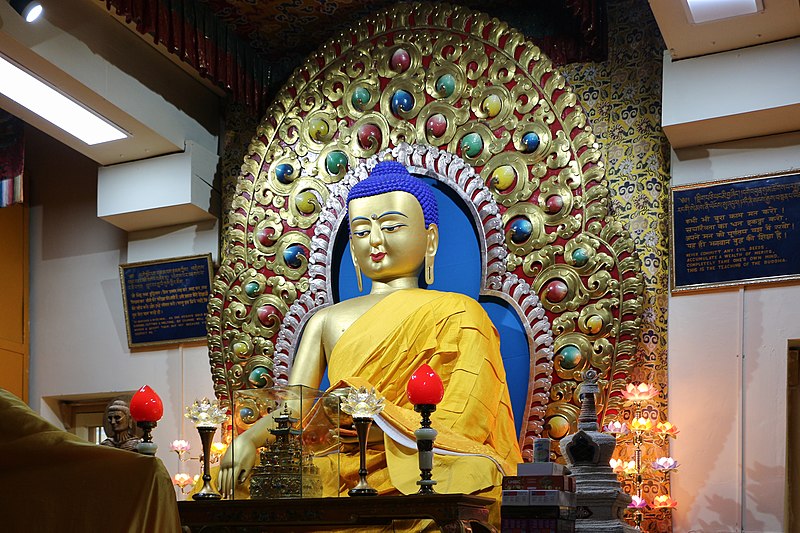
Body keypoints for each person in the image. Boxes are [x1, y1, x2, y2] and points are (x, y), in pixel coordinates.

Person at [219, 160, 521, 520]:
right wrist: (249, 439)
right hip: (341, 458)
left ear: (430, 238)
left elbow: (467, 414)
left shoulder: (460, 312)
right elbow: (296, 407)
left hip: (415, 457)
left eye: (392, 226)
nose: (375, 240)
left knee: (480, 476)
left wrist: (385, 425)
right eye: (361, 231)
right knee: (237, 485)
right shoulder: (325, 319)